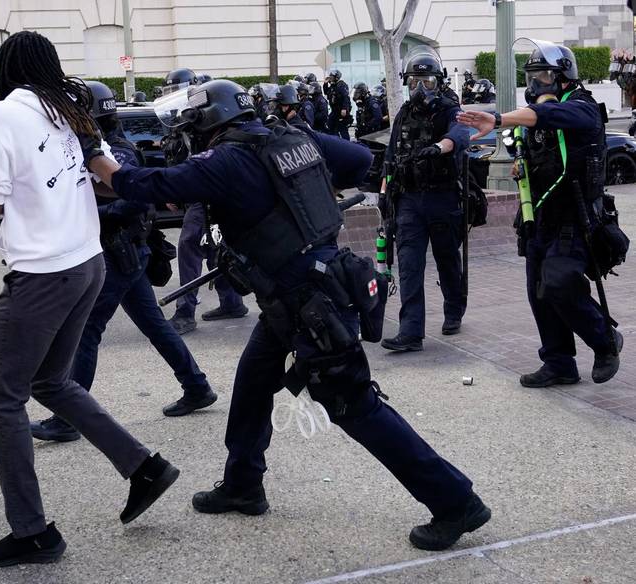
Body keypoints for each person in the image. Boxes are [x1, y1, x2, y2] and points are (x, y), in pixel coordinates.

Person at [84, 78, 491, 552]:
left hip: (307, 303)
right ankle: (242, 484)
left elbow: (147, 184)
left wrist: (95, 153)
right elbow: (358, 161)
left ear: (208, 123)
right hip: (301, 290)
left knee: (353, 405)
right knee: (254, 380)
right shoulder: (292, 137)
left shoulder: (228, 160)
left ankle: (455, 502)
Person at [0, 31, 179, 567]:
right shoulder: (71, 107)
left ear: (5, 68)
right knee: (51, 381)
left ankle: (33, 532)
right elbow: (105, 176)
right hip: (86, 262)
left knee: (3, 399)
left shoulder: (0, 115)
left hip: (41, 273)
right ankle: (144, 467)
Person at [30, 81, 217, 443]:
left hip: (121, 252)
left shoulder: (118, 152)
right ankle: (196, 386)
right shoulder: (96, 149)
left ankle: (68, 419)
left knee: (87, 332)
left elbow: (133, 201)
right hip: (120, 254)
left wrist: (86, 211)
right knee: (154, 326)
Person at [457, 39, 623, 387]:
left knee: (560, 283)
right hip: (540, 219)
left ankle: (605, 340)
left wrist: (499, 117)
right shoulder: (530, 122)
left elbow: (551, 115)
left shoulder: (583, 108)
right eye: (532, 77)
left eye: (544, 77)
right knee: (539, 291)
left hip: (576, 220)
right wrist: (522, 167)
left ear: (564, 76)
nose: (537, 86)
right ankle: (559, 362)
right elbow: (534, 148)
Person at [379, 46, 469, 352]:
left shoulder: (449, 108)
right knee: (409, 264)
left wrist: (440, 147)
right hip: (408, 200)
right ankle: (411, 331)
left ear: (439, 81)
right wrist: (384, 194)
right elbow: (391, 156)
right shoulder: (403, 114)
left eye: (428, 81)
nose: (420, 88)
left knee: (447, 259)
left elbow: (461, 133)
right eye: (415, 81)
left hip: (441, 197)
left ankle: (453, 310)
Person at [162, 68, 249, 336]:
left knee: (189, 246)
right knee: (213, 247)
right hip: (203, 195)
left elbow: (200, 163)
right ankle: (231, 301)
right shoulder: (184, 122)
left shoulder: (204, 121)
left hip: (206, 196)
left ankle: (185, 312)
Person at [325, 69, 352, 140]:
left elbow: (345, 97)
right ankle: (335, 141)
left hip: (341, 111)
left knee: (342, 129)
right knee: (330, 126)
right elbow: (326, 92)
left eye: (332, 76)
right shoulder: (333, 86)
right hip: (334, 111)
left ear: (336, 77)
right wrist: (325, 84)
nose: (330, 77)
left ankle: (347, 145)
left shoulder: (342, 85)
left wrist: (344, 109)